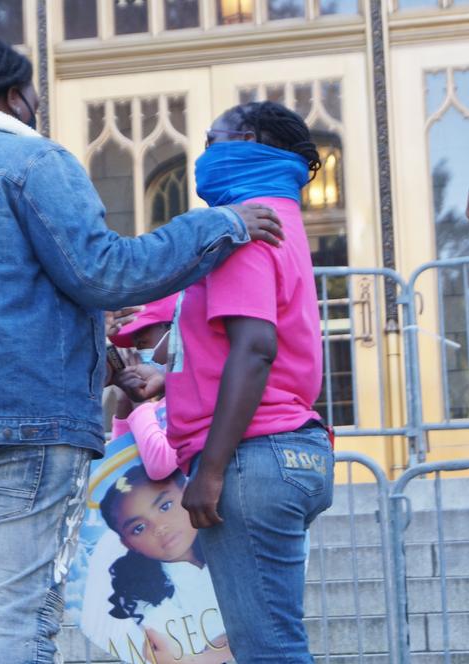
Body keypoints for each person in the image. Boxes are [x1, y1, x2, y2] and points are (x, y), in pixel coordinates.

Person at [0, 37, 285, 664]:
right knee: (14, 619)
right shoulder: (34, 163)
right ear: (14, 96)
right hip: (21, 428)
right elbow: (104, 272)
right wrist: (222, 224)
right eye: (36, 99)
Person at [167, 101, 335, 662]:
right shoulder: (283, 217)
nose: (204, 153)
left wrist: (210, 470)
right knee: (273, 644)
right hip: (284, 453)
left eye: (212, 140)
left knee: (269, 650)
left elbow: (256, 347)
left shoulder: (247, 224)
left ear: (247, 140)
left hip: (249, 460)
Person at [100, 465, 232, 664]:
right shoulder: (147, 600)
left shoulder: (232, 552)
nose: (159, 527)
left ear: (187, 493)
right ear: (128, 544)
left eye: (165, 506)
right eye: (139, 528)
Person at [108, 295, 178, 480]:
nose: (136, 342)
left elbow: (159, 464)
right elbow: (121, 465)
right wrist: (124, 403)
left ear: (173, 329)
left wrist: (140, 401)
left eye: (144, 331)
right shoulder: (159, 402)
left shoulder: (193, 395)